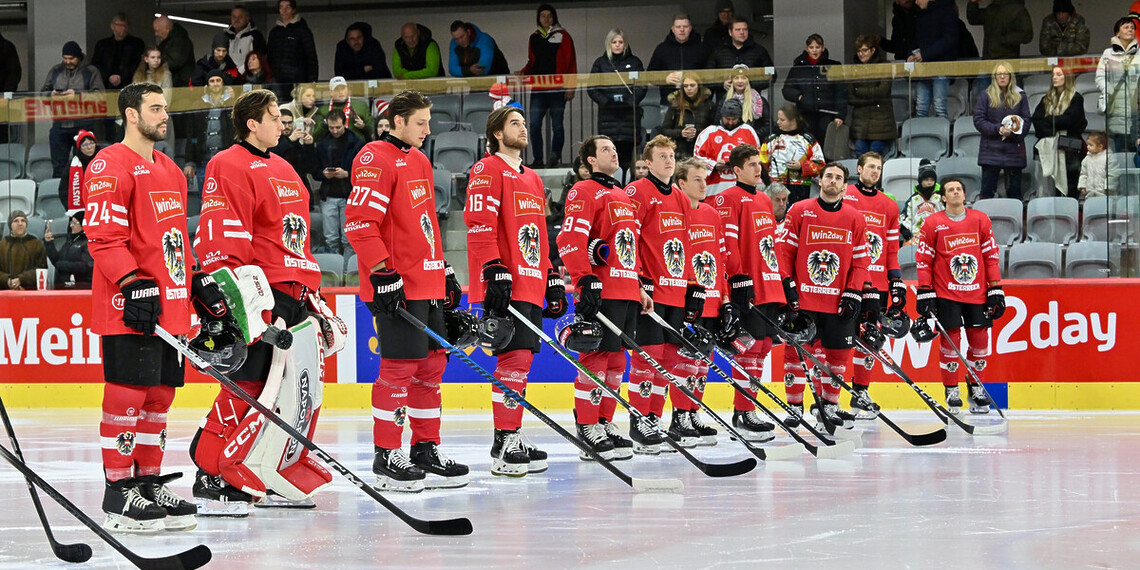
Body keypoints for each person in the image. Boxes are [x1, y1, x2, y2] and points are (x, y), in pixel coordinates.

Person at [189, 88, 336, 513]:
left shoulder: (287, 168)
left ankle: (266, 467)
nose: (281, 122)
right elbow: (222, 235)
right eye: (274, 116)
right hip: (259, 293)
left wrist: (313, 294)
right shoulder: (227, 164)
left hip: (294, 294)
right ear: (252, 123)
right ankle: (211, 471)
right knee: (247, 386)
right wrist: (240, 302)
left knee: (290, 392)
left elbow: (297, 239)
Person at [85, 82, 210, 532]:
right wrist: (132, 281)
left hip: (171, 308)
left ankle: (147, 480)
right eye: (155, 108)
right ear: (131, 115)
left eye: (166, 108)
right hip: (130, 305)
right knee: (127, 396)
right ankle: (118, 491)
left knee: (159, 399)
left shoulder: (172, 172)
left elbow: (175, 243)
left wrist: (196, 284)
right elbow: (102, 238)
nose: (164, 115)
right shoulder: (107, 165)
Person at [345, 90, 469, 492]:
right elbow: (360, 222)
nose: (428, 130)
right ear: (398, 121)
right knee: (398, 370)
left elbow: (425, 224)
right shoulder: (373, 157)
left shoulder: (417, 160)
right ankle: (386, 455)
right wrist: (382, 272)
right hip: (397, 283)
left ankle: (424, 448)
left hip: (427, 279)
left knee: (432, 369)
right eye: (421, 122)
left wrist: (445, 269)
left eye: (429, 122)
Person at [462, 106, 561, 476]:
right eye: (514, 124)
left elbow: (540, 232)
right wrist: (493, 266)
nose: (523, 129)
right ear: (497, 134)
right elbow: (479, 221)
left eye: (523, 123)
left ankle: (510, 433)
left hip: (532, 278)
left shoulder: (534, 179)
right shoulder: (487, 168)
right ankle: (505, 442)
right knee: (512, 360)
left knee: (522, 361)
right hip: (506, 279)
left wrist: (551, 276)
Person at [556, 135, 651, 461]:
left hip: (626, 287)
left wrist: (638, 284)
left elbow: (630, 246)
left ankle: (604, 420)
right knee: (595, 358)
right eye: (606, 149)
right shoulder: (583, 190)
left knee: (615, 360)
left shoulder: (622, 194)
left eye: (614, 148)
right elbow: (570, 237)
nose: (614, 152)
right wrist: (585, 279)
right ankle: (586, 425)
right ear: (591, 161)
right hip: (603, 287)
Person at [624, 135, 704, 451]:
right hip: (650, 290)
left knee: (668, 362)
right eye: (662, 156)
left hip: (675, 291)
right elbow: (628, 238)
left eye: (671, 155)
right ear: (648, 162)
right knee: (648, 358)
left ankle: (655, 419)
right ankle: (639, 419)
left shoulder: (682, 198)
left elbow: (685, 245)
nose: (669, 160)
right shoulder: (637, 191)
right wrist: (639, 280)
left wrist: (693, 283)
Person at [776, 162, 870, 429]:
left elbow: (861, 261)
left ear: (844, 186)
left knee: (838, 355)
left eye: (838, 177)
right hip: (804, 299)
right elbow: (784, 252)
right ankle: (794, 407)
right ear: (820, 181)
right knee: (796, 355)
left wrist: (853, 291)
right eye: (828, 175)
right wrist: (787, 282)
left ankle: (828, 406)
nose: (832, 180)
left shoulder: (855, 217)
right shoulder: (801, 210)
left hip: (838, 301)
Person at [712, 144, 786, 441]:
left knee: (764, 347)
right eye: (752, 164)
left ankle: (748, 409)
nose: (758, 169)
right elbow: (726, 243)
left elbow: (771, 244)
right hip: (748, 285)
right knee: (750, 349)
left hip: (769, 284)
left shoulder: (765, 200)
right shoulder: (727, 198)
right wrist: (739, 278)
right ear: (737, 169)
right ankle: (743, 412)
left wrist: (784, 280)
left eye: (759, 163)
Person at [914, 177, 1004, 414]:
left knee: (980, 342)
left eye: (959, 190)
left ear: (965, 195)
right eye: (950, 190)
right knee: (950, 343)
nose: (955, 193)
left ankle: (976, 387)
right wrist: (925, 291)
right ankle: (951, 389)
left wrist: (995, 288)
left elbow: (990, 255)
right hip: (947, 293)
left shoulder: (980, 220)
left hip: (977, 293)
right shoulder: (933, 223)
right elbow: (924, 260)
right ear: (943, 197)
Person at [842, 152, 902, 418]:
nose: (875, 172)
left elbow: (890, 249)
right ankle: (829, 396)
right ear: (859, 169)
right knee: (841, 339)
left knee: (871, 339)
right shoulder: (846, 196)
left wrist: (896, 279)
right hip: (849, 280)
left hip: (877, 284)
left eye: (879, 168)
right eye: (870, 167)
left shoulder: (889, 205)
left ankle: (861, 392)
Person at [670, 157, 724, 445]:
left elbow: (720, 259)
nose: (704, 184)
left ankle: (693, 411)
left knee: (704, 360)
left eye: (705, 179)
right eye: (697, 179)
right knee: (684, 360)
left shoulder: (712, 214)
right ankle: (679, 415)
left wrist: (724, 298)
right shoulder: (674, 212)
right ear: (681, 183)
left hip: (711, 297)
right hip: (685, 296)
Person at [519, 4, 577, 169]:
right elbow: (532, 61)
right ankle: (538, 159)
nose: (546, 19)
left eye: (549, 16)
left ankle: (554, 158)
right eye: (542, 16)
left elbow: (571, 62)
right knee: (534, 125)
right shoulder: (534, 37)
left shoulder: (563, 36)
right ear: (538, 18)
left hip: (558, 89)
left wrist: (571, 86)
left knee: (557, 126)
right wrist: (524, 72)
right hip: (538, 89)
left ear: (554, 18)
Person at [41, 41, 104, 179]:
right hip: (59, 124)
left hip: (83, 125)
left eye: (71, 58)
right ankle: (59, 195)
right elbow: (42, 93)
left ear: (79, 57)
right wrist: (50, 95)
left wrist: (77, 96)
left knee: (86, 165)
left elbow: (100, 96)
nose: (68, 62)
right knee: (59, 166)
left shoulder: (91, 71)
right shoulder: (56, 70)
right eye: (65, 58)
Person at [588, 29, 647, 170]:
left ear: (625, 44)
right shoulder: (600, 63)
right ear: (609, 44)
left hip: (629, 117)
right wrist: (606, 102)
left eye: (620, 42)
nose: (617, 45)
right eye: (614, 42)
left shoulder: (635, 62)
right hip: (608, 117)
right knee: (609, 156)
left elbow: (642, 86)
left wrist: (630, 101)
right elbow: (592, 88)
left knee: (627, 159)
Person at [974, 62, 1030, 201]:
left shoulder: (1020, 95)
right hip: (990, 152)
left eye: (1006, 74)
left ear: (1011, 76)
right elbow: (979, 120)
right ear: (994, 76)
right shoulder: (985, 95)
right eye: (999, 74)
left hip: (1014, 151)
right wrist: (997, 129)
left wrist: (1012, 132)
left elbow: (1026, 120)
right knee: (987, 194)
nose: (1002, 77)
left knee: (1014, 195)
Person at [314, 109, 365, 256]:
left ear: (345, 124)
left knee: (348, 239)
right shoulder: (322, 143)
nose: (334, 131)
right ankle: (335, 271)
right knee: (330, 239)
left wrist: (347, 174)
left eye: (338, 127)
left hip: (349, 195)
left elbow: (364, 172)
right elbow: (314, 170)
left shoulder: (356, 143)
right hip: (328, 194)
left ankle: (347, 271)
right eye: (331, 127)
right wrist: (324, 174)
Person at [1032, 66, 1087, 198]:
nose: (1055, 77)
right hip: (1050, 145)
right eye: (1053, 75)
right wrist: (1053, 127)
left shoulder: (1076, 98)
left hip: (1069, 148)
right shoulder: (1046, 98)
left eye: (1059, 74)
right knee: (1049, 185)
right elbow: (1037, 120)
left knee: (1070, 183)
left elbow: (1071, 121)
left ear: (1067, 77)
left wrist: (1049, 119)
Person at [782, 34, 846, 147]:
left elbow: (840, 92)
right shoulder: (798, 68)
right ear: (807, 49)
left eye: (817, 47)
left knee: (827, 146)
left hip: (827, 114)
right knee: (806, 146)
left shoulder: (833, 66)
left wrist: (840, 115)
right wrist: (800, 97)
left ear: (823, 48)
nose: (815, 50)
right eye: (811, 47)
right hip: (806, 114)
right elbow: (787, 90)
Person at [759, 103, 826, 203]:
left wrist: (801, 166)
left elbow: (820, 166)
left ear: (793, 121)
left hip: (800, 188)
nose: (778, 122)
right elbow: (762, 164)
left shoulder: (808, 140)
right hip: (776, 187)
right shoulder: (770, 140)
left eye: (782, 120)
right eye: (778, 119)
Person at [694, 98, 760, 195]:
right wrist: (714, 165)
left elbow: (757, 158)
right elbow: (696, 158)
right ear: (721, 116)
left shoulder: (749, 132)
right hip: (714, 190)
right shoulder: (708, 132)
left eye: (734, 119)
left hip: (743, 189)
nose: (730, 122)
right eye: (727, 119)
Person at [184, 70, 235, 193]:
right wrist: (189, 161)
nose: (215, 83)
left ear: (223, 84)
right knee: (205, 199)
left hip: (228, 161)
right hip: (204, 160)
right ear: (207, 85)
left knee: (229, 198)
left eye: (218, 80)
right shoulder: (198, 104)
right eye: (212, 81)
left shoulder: (232, 104)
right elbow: (191, 135)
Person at [647, 13, 711, 106]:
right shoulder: (662, 49)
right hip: (669, 102)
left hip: (697, 103)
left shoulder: (702, 48)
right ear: (673, 29)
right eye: (678, 27)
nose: (682, 30)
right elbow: (650, 75)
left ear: (690, 28)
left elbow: (710, 74)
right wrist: (664, 79)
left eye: (685, 26)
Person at [1096, 18, 1140, 153]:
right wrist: (1109, 91)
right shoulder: (1108, 54)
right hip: (1117, 110)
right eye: (1126, 27)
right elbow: (1100, 76)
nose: (1130, 29)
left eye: (1132, 27)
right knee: (1121, 153)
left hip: (1136, 109)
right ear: (1117, 33)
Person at [849, 35, 897, 156]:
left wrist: (859, 91)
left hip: (881, 123)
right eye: (859, 51)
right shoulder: (853, 69)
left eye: (864, 50)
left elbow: (882, 91)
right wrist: (873, 97)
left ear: (873, 50)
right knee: (860, 156)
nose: (861, 54)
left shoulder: (884, 66)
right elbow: (850, 96)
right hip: (859, 124)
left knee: (874, 157)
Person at [911, 0, 959, 119]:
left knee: (939, 107)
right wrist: (911, 54)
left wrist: (925, 54)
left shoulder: (947, 12)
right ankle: (920, 137)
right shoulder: (921, 15)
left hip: (941, 67)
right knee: (921, 107)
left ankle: (941, 136)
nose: (916, 2)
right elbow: (915, 40)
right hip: (923, 68)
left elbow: (949, 40)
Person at [267, 0, 319, 98]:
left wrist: (312, 82)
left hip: (298, 81)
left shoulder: (303, 31)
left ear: (293, 9)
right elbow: (270, 57)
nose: (284, 10)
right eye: (281, 7)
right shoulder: (274, 32)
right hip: (277, 81)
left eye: (288, 7)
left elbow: (311, 58)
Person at [707, 18, 773, 94]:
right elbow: (708, 77)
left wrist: (749, 84)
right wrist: (722, 84)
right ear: (730, 32)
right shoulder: (718, 51)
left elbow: (771, 75)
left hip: (752, 100)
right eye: (738, 30)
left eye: (745, 29)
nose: (742, 32)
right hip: (725, 101)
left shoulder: (759, 51)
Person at [660, 72, 716, 158]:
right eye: (685, 86)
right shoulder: (676, 105)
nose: (689, 89)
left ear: (698, 86)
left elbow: (714, 130)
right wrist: (681, 133)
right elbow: (664, 130)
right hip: (680, 152)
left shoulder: (709, 105)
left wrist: (697, 132)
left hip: (702, 151)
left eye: (692, 85)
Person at [270, 108, 317, 200]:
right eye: (283, 123)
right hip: (280, 189)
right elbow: (272, 156)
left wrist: (309, 146)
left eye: (290, 123)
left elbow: (310, 167)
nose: (287, 126)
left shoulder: (296, 142)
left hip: (299, 188)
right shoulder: (271, 140)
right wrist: (289, 140)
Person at [91, 13, 145, 90]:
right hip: (106, 86)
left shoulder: (136, 43)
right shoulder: (102, 45)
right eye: (120, 25)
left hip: (129, 85)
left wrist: (122, 77)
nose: (123, 28)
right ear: (112, 26)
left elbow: (137, 64)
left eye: (125, 25)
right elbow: (96, 65)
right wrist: (108, 77)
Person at [966, 0, 1033, 61]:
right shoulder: (991, 8)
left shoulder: (1018, 10)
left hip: (1007, 61)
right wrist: (973, 2)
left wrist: (1004, 39)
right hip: (988, 60)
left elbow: (1027, 34)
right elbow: (973, 19)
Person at [313, 76, 374, 142]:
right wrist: (325, 123)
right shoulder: (323, 110)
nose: (341, 92)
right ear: (331, 92)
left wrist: (363, 126)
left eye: (343, 88)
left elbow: (373, 130)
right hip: (332, 148)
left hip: (356, 148)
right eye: (337, 89)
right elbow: (315, 137)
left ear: (347, 89)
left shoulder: (361, 105)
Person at [43, 210, 93, 289]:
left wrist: (63, 265)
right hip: (63, 286)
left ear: (83, 225)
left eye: (74, 223)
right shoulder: (70, 241)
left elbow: (86, 266)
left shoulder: (88, 243)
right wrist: (49, 243)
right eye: (71, 222)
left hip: (81, 288)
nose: (71, 225)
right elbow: (56, 261)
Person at [899, 160, 944, 244]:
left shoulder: (941, 197)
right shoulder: (913, 199)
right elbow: (902, 218)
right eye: (926, 180)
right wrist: (906, 232)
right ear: (920, 180)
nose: (929, 182)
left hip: (939, 236)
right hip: (916, 236)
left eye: (932, 180)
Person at [0, 211, 47, 290]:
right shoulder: (2, 245)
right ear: (10, 225)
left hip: (29, 292)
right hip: (5, 292)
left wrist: (21, 280)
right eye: (16, 221)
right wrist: (7, 280)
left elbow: (41, 270)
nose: (20, 224)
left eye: (23, 220)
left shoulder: (36, 244)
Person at [722, 65, 770, 138]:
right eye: (736, 78)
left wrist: (752, 135)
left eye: (743, 78)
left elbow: (768, 125)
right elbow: (718, 123)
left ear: (748, 80)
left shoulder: (759, 100)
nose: (740, 81)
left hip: (752, 140)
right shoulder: (724, 100)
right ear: (731, 81)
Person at [59, 129, 99, 211]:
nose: (89, 147)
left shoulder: (103, 160)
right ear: (79, 147)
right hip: (79, 211)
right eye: (85, 145)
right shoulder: (72, 165)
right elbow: (63, 189)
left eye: (91, 143)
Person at [1078, 131, 1123, 199]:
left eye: (1091, 145)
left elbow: (1113, 174)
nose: (1088, 147)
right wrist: (1083, 186)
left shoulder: (1109, 158)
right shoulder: (1087, 159)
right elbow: (1083, 174)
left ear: (1100, 146)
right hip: (1090, 194)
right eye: (1088, 144)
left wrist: (1108, 188)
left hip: (1105, 194)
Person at [153, 15, 194, 88]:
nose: (156, 34)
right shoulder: (168, 42)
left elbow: (174, 62)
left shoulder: (179, 41)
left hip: (180, 86)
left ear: (167, 29)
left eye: (157, 31)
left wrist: (157, 61)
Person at [225, 5, 266, 75]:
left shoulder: (255, 36)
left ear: (247, 18)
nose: (236, 20)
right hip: (228, 77)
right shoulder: (225, 36)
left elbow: (260, 58)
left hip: (249, 77)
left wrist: (240, 73)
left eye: (240, 17)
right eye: (234, 17)